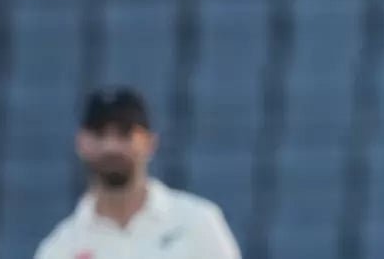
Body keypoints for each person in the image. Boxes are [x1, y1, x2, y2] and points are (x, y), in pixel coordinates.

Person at [35, 87, 241, 259]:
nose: (111, 147)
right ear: (80, 143)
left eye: (125, 134)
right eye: (99, 134)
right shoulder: (61, 248)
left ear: (150, 143)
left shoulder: (196, 222)